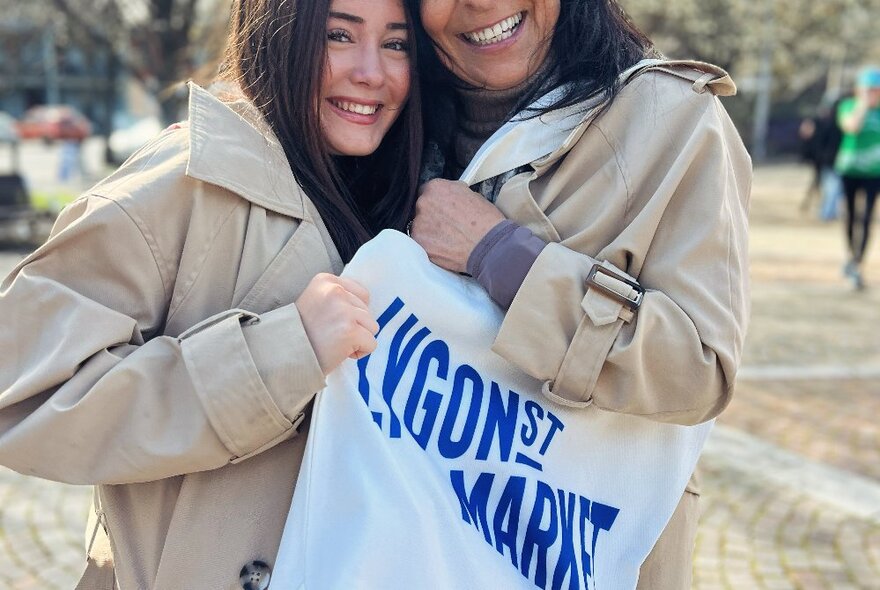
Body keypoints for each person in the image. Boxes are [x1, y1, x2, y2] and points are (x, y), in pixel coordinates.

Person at [0, 0, 420, 588]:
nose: (372, 71)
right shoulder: (189, 178)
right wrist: (281, 355)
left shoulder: (412, 198)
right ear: (277, 35)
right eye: (338, 35)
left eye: (397, 43)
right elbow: (18, 387)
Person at [406, 1, 750, 588]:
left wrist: (499, 254)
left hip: (582, 550)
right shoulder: (379, 119)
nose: (480, 3)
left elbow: (698, 369)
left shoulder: (673, 117)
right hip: (418, 545)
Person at [835, 67, 880, 290]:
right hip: (849, 169)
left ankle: (858, 262)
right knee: (851, 216)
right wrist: (863, 105)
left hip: (874, 172)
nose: (873, 94)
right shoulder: (848, 106)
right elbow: (851, 127)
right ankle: (851, 256)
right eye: (869, 89)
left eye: (876, 90)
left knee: (867, 218)